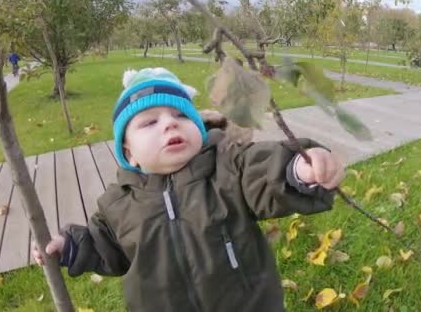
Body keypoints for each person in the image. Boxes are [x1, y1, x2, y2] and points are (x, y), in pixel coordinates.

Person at [32, 68, 345, 311]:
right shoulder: (118, 204)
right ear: (129, 153)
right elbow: (105, 247)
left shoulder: (228, 167)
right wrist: (69, 247)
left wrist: (299, 168)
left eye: (182, 115)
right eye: (149, 122)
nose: (170, 124)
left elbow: (264, 172)